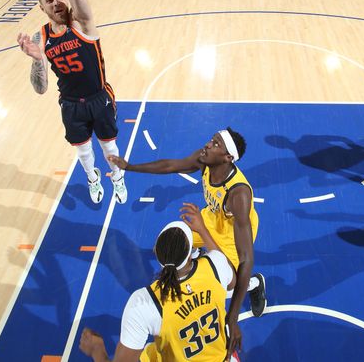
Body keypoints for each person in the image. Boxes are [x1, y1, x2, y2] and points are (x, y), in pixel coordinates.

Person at [108, 128, 267, 353]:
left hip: (232, 237)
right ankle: (197, 266)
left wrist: (232, 318)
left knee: (228, 285)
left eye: (216, 144)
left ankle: (256, 283)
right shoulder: (205, 160)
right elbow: (170, 166)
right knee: (169, 244)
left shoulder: (239, 194)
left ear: (228, 158)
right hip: (211, 220)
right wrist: (130, 167)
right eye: (212, 139)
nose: (208, 145)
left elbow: (247, 258)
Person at [16, 0, 127, 205]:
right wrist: (38, 60)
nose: (57, 2)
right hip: (70, 103)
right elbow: (40, 89)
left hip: (99, 97)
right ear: (42, 8)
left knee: (109, 144)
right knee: (83, 151)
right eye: (49, 0)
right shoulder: (39, 37)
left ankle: (117, 177)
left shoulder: (83, 23)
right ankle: (93, 178)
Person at [79, 215, 239, 362]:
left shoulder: (143, 303)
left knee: (149, 354)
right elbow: (232, 284)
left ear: (157, 253)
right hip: (223, 358)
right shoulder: (216, 264)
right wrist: (203, 231)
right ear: (190, 255)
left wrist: (97, 351)